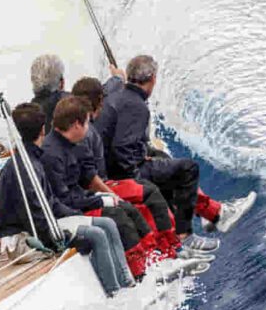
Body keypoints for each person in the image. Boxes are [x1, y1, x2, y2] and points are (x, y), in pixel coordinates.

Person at [95, 55, 255, 242]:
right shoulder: (137, 107)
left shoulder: (113, 93)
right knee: (185, 170)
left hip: (108, 166)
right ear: (153, 78)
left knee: (164, 158)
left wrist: (116, 77)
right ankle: (193, 232)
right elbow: (122, 148)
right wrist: (139, 171)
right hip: (123, 172)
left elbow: (110, 90)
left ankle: (211, 212)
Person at [0, 102, 135, 294]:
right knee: (97, 234)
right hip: (23, 239)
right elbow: (37, 219)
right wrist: (63, 238)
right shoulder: (27, 168)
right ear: (43, 130)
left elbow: (50, 204)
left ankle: (128, 283)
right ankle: (114, 293)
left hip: (39, 225)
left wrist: (78, 215)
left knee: (107, 223)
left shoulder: (31, 161)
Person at [40, 95, 159, 277]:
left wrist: (109, 196)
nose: (88, 129)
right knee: (119, 217)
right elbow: (63, 200)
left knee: (128, 208)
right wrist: (98, 202)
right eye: (87, 124)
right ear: (76, 125)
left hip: (81, 199)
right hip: (68, 211)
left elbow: (87, 178)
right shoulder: (51, 154)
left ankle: (155, 258)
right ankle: (139, 274)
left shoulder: (75, 144)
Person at [71, 76, 187, 259]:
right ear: (100, 101)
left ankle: (172, 246)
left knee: (153, 182)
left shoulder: (81, 123)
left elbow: (109, 86)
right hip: (99, 188)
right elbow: (90, 177)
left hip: (102, 182)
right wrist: (112, 194)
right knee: (149, 195)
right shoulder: (86, 133)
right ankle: (164, 254)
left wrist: (117, 77)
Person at [30, 53, 126, 134]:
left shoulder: (28, 114)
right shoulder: (68, 102)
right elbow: (95, 93)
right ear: (62, 82)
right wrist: (118, 78)